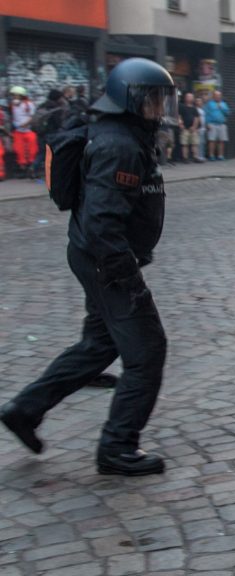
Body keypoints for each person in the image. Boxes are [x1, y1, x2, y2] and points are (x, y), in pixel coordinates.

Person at [0, 57, 174, 476]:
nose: (159, 107)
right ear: (128, 98)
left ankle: (25, 410)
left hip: (96, 256)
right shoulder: (120, 145)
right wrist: (125, 276)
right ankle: (117, 447)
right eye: (151, 98)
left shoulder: (127, 135)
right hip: (105, 262)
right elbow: (101, 221)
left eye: (161, 99)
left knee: (99, 344)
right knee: (147, 352)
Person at [9, 86, 38, 179]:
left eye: (15, 95)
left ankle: (32, 168)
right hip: (18, 131)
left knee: (32, 150)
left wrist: (25, 124)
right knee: (19, 150)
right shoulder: (12, 105)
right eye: (13, 95)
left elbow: (32, 117)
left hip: (28, 131)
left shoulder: (28, 104)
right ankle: (22, 168)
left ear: (21, 95)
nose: (14, 97)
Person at [204, 90, 230, 160]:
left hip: (222, 124)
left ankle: (220, 155)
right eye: (216, 95)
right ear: (213, 96)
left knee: (221, 140)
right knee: (212, 140)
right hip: (212, 124)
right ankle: (211, 155)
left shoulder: (224, 104)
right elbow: (206, 114)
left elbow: (227, 113)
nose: (218, 97)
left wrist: (222, 108)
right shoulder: (209, 104)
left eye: (219, 95)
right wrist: (207, 123)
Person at [178, 92, 203, 163]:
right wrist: (181, 124)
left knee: (195, 143)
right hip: (184, 128)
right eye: (188, 97)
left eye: (191, 97)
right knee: (184, 144)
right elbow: (179, 116)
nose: (190, 98)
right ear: (185, 98)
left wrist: (194, 127)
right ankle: (185, 158)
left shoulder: (194, 108)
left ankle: (195, 157)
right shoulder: (182, 107)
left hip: (193, 129)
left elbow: (196, 118)